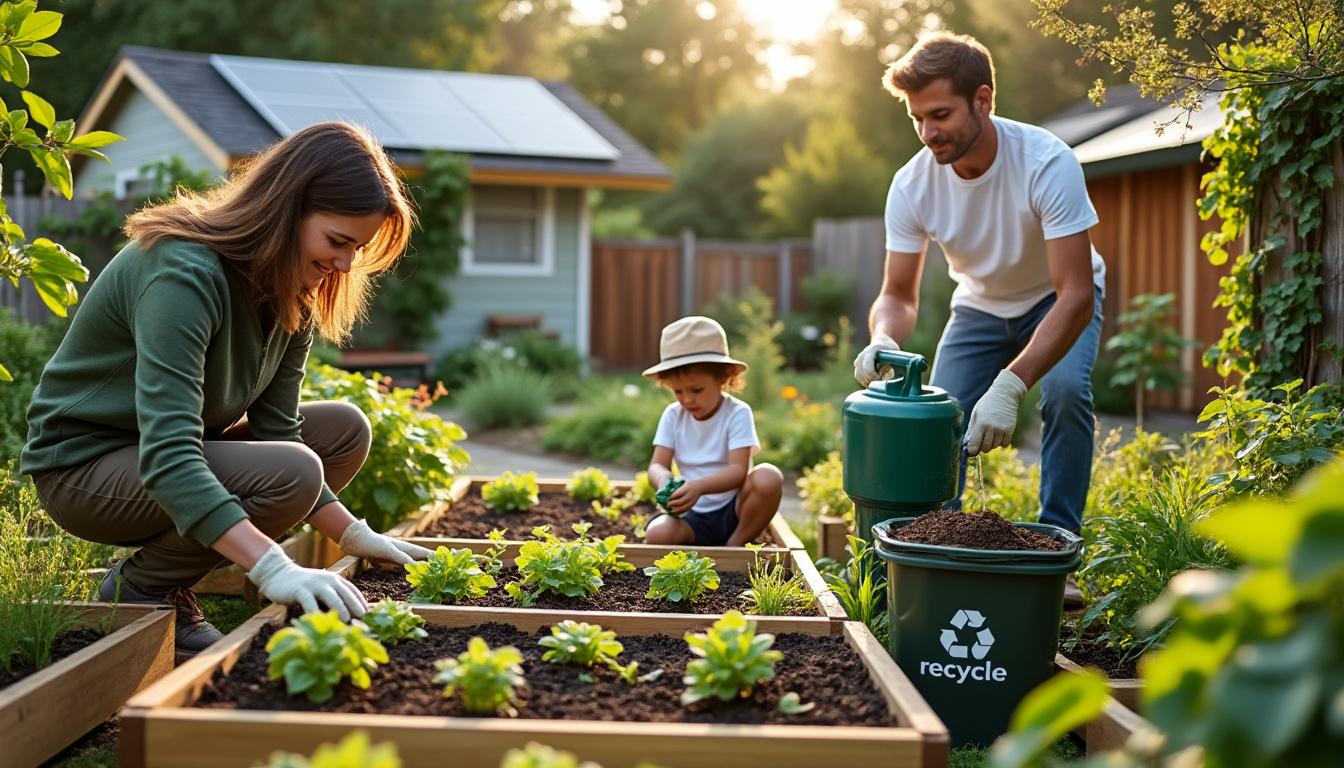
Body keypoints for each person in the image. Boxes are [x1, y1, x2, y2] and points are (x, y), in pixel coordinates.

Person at [21, 122, 433, 661]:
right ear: (288, 209)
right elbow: (171, 452)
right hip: (83, 470)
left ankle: (177, 563)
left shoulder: (293, 288)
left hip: (160, 456)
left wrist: (354, 535)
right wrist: (272, 567)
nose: (345, 265)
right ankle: (146, 586)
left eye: (356, 248)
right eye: (337, 241)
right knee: (295, 471)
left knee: (340, 431)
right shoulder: (181, 271)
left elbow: (279, 431)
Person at [854, 33, 1104, 604]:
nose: (928, 131)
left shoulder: (1046, 162)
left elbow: (1075, 295)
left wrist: (1013, 385)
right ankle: (945, 557)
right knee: (942, 420)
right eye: (917, 118)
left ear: (983, 100)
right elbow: (897, 292)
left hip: (1055, 299)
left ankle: (1060, 553)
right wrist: (883, 336)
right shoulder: (912, 184)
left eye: (940, 114)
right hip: (979, 306)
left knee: (1065, 392)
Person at [641, 316, 783, 547]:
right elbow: (656, 465)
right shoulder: (672, 415)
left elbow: (738, 471)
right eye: (678, 391)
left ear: (725, 377)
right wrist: (663, 478)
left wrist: (699, 487)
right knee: (658, 535)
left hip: (733, 510)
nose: (687, 399)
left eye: (697, 389)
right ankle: (702, 545)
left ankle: (735, 545)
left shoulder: (737, 413)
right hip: (689, 514)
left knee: (769, 477)